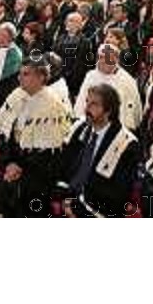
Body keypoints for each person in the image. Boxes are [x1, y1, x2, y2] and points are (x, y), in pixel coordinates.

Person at [0, 58, 72, 217]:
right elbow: (5, 132)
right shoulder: (16, 95)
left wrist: (20, 167)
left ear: (41, 77)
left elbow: (51, 149)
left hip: (37, 176)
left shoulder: (53, 104)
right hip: (11, 169)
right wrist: (9, 162)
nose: (20, 78)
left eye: (26, 74)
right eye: (20, 73)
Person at [62, 84, 140, 217]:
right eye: (87, 102)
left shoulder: (127, 144)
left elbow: (119, 195)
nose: (86, 108)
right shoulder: (81, 129)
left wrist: (77, 209)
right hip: (70, 199)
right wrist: (63, 196)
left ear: (108, 110)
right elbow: (65, 166)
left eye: (94, 104)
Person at [74, 44, 142, 132]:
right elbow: (81, 103)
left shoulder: (126, 81)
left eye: (105, 57)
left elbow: (129, 113)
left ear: (116, 59)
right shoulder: (91, 76)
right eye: (99, 57)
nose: (100, 61)